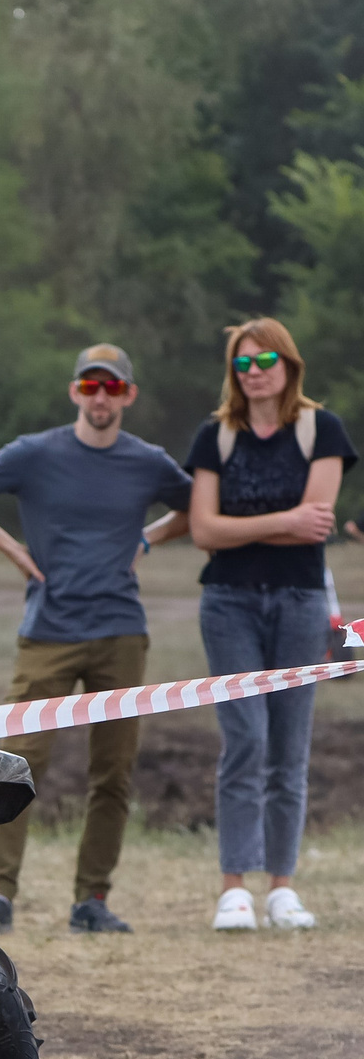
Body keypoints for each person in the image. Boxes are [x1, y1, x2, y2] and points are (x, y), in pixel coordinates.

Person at [0, 345, 192, 937]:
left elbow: (197, 508)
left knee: (115, 772)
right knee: (16, 765)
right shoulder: (36, 452)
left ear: (128, 395)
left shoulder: (148, 462)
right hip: (47, 633)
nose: (100, 396)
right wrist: (15, 551)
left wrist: (148, 539)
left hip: (121, 632)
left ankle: (92, 900)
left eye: (112, 387)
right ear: (75, 391)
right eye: (90, 385)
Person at [185, 319, 355, 931]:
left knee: (289, 746)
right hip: (228, 602)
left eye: (265, 361)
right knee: (246, 740)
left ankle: (283, 886)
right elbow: (202, 531)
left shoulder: (321, 429)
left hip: (301, 600)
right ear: (233, 373)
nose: (255, 373)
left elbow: (319, 521)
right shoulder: (216, 436)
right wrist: (281, 521)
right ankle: (235, 888)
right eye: (242, 364)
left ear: (288, 363)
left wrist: (238, 524)